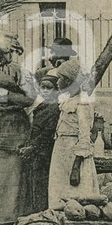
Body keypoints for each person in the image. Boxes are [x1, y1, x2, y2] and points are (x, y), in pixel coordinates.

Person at [0, 34, 35, 225]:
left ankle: (12, 218)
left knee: (13, 175)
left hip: (15, 128)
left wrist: (10, 89)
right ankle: (2, 215)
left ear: (7, 50)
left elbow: (30, 99)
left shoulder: (20, 72)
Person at [47, 58, 100, 209]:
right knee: (59, 193)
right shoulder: (68, 101)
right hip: (61, 153)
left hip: (74, 156)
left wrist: (76, 167)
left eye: (60, 79)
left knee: (76, 195)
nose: (57, 83)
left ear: (70, 81)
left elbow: (84, 137)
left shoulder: (82, 103)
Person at [19, 74, 62, 215]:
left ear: (56, 90)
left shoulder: (55, 108)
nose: (44, 91)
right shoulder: (42, 105)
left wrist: (32, 147)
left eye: (48, 88)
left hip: (44, 152)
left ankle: (41, 214)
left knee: (41, 185)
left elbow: (47, 133)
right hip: (35, 150)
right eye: (42, 87)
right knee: (32, 185)